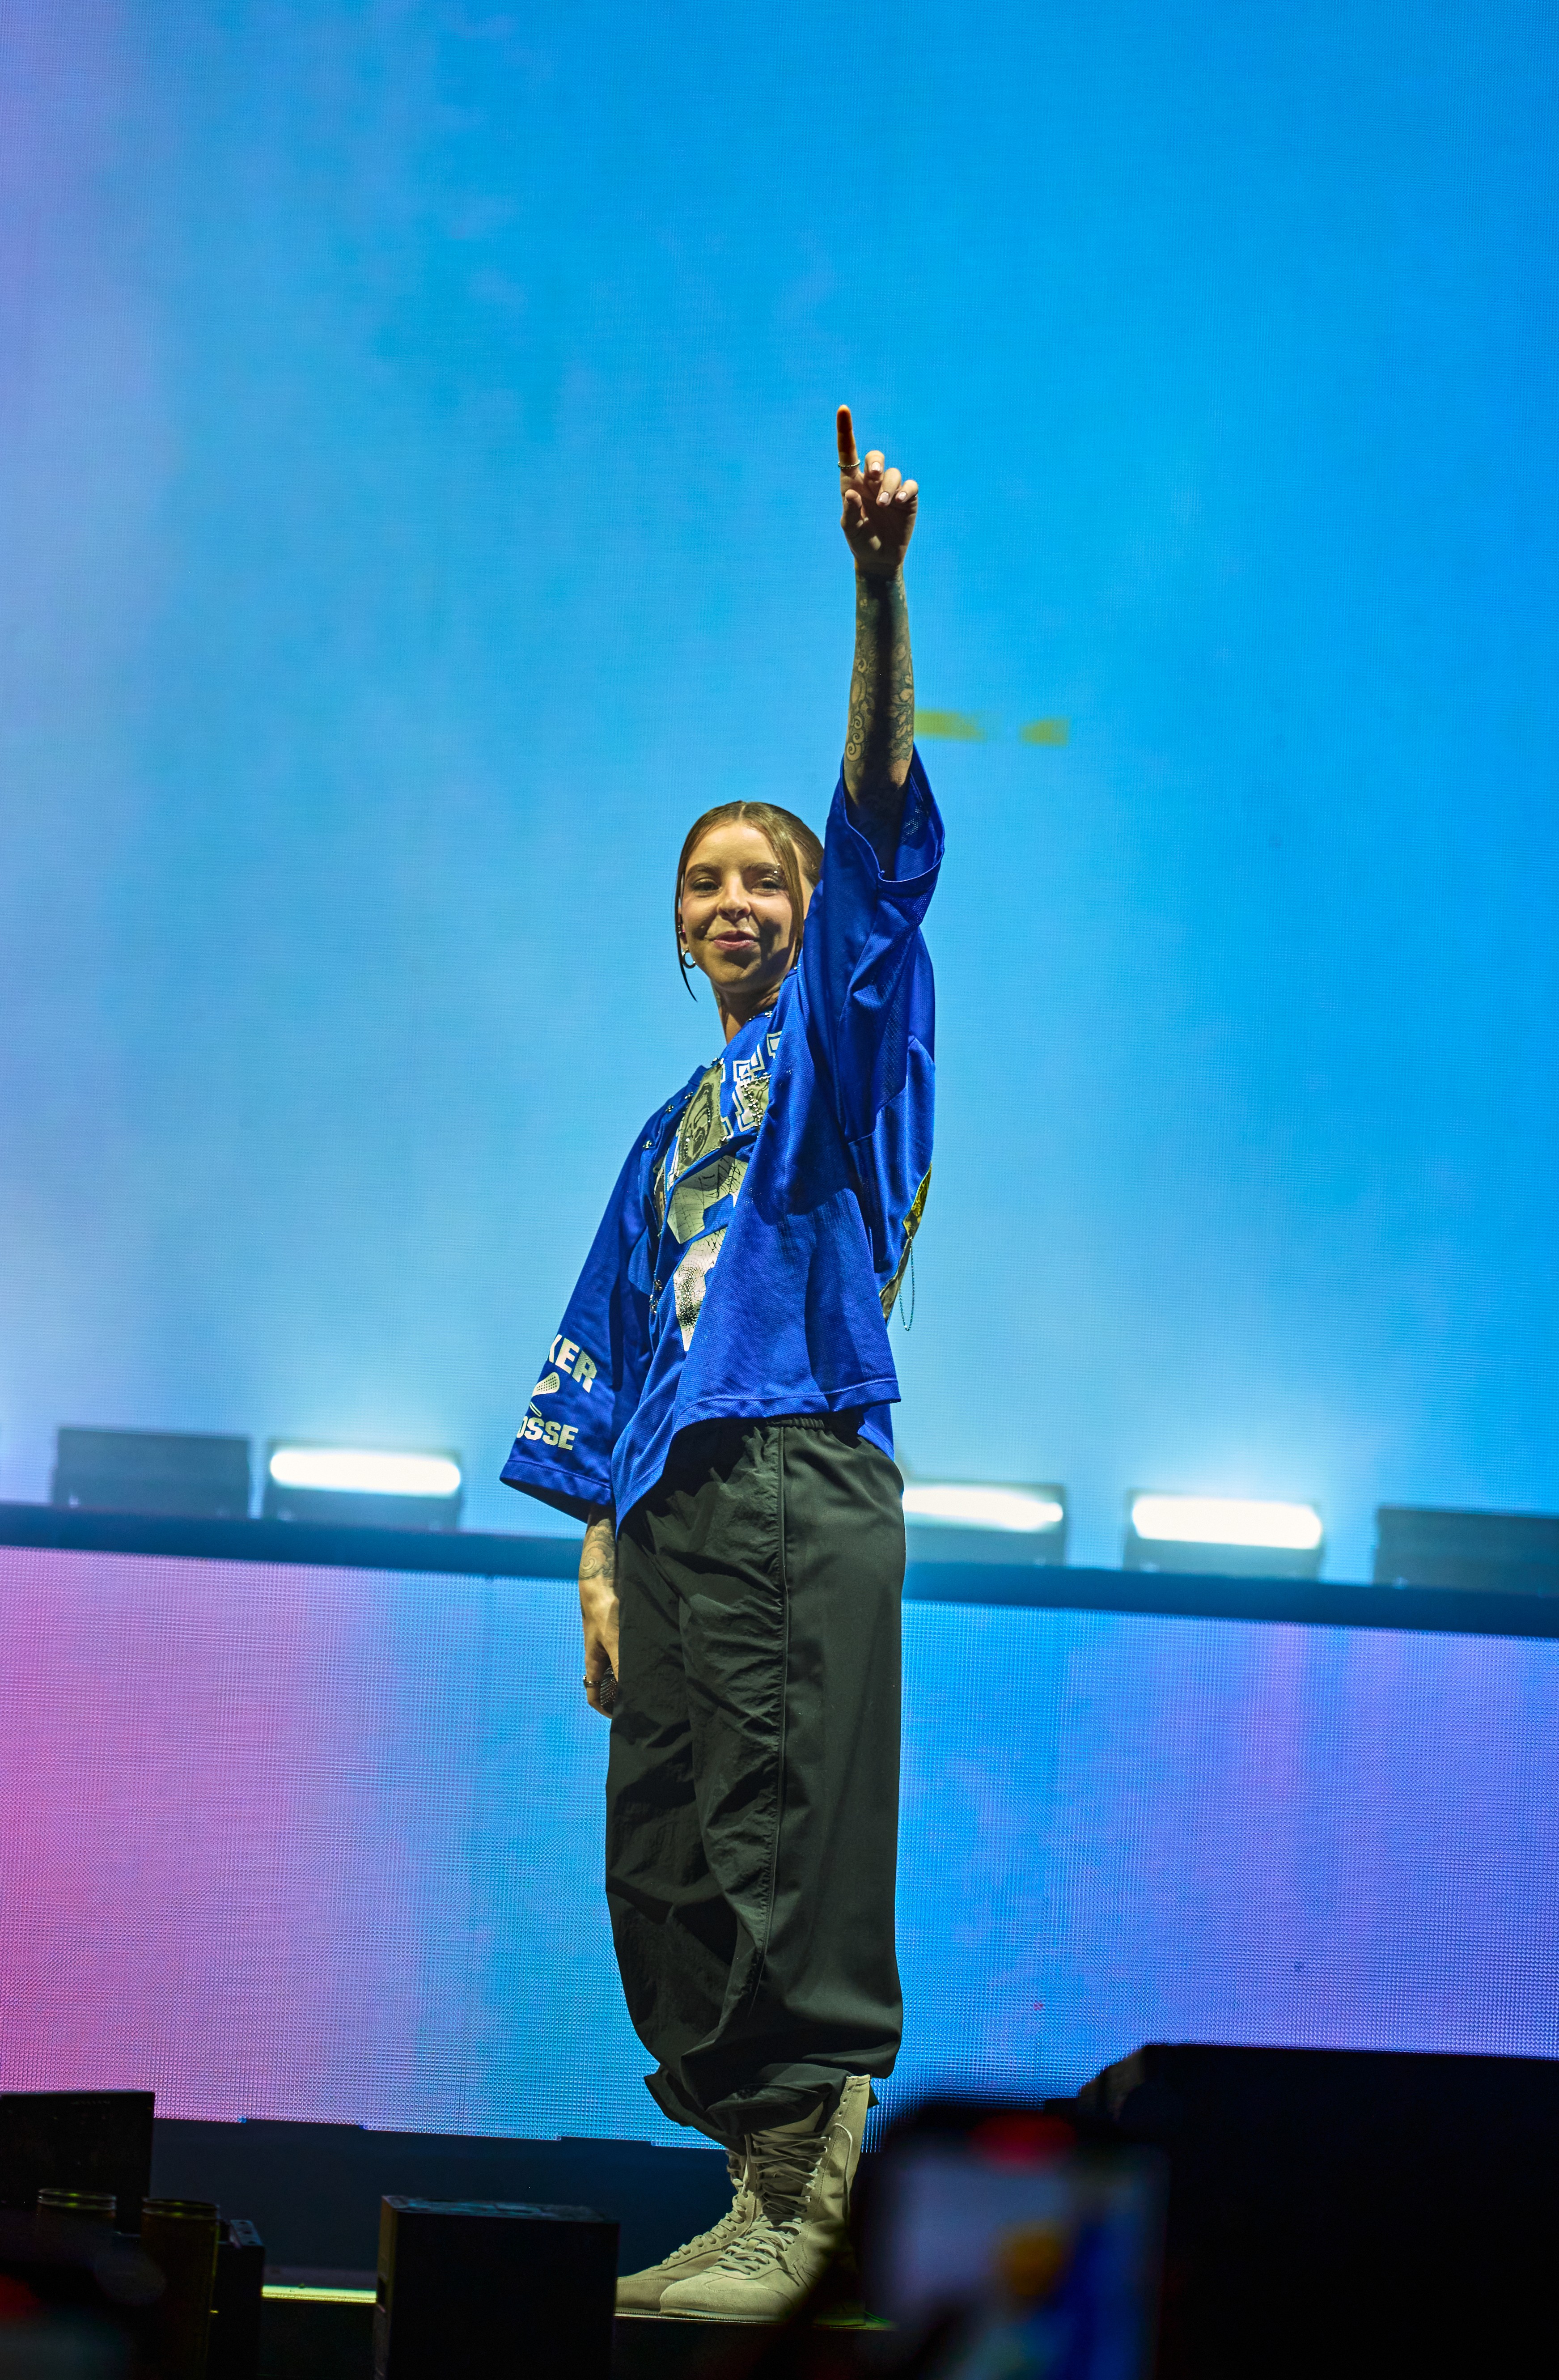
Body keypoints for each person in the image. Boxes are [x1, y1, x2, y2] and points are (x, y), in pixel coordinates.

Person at [501, 404, 943, 2323]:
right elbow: (601, 1349)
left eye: (762, 879)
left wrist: (874, 589)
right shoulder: (664, 1126)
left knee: (778, 1835)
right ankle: (750, 2179)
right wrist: (598, 1551)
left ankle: (811, 2184)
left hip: (789, 1471)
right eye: (707, 885)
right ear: (676, 926)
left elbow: (869, 822)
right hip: (676, 1511)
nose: (738, 902)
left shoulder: (829, 1051)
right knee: (663, 1865)